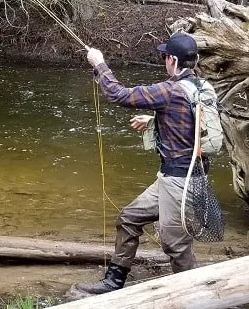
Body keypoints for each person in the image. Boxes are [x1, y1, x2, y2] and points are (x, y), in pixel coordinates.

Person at [76, 31, 205, 294]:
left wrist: (99, 64)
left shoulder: (170, 90)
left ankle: (195, 294)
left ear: (172, 60)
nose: (164, 61)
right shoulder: (201, 87)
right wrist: (155, 120)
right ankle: (114, 282)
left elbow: (119, 95)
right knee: (129, 218)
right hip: (180, 177)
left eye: (165, 57)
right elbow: (195, 126)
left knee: (176, 246)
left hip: (179, 182)